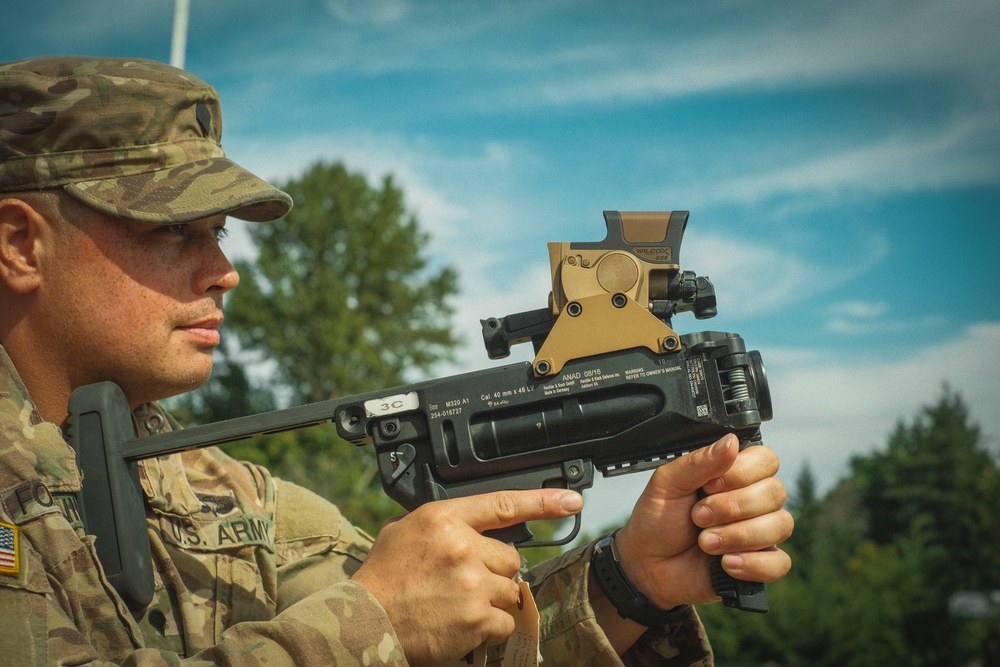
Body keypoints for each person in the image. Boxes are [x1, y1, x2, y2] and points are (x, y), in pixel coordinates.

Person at [0, 56, 793, 665]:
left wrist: (632, 581)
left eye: (220, 232)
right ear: (19, 242)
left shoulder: (224, 493)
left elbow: (449, 643)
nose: (223, 270)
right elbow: (380, 626)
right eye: (171, 229)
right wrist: (369, 623)